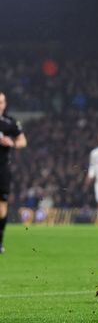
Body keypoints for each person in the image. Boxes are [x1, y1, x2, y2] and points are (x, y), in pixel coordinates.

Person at [0, 92, 27, 254]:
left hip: (2, 169)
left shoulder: (10, 123)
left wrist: (11, 142)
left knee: (2, 206)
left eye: (1, 102)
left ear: (5, 103)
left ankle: (0, 241)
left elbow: (23, 141)